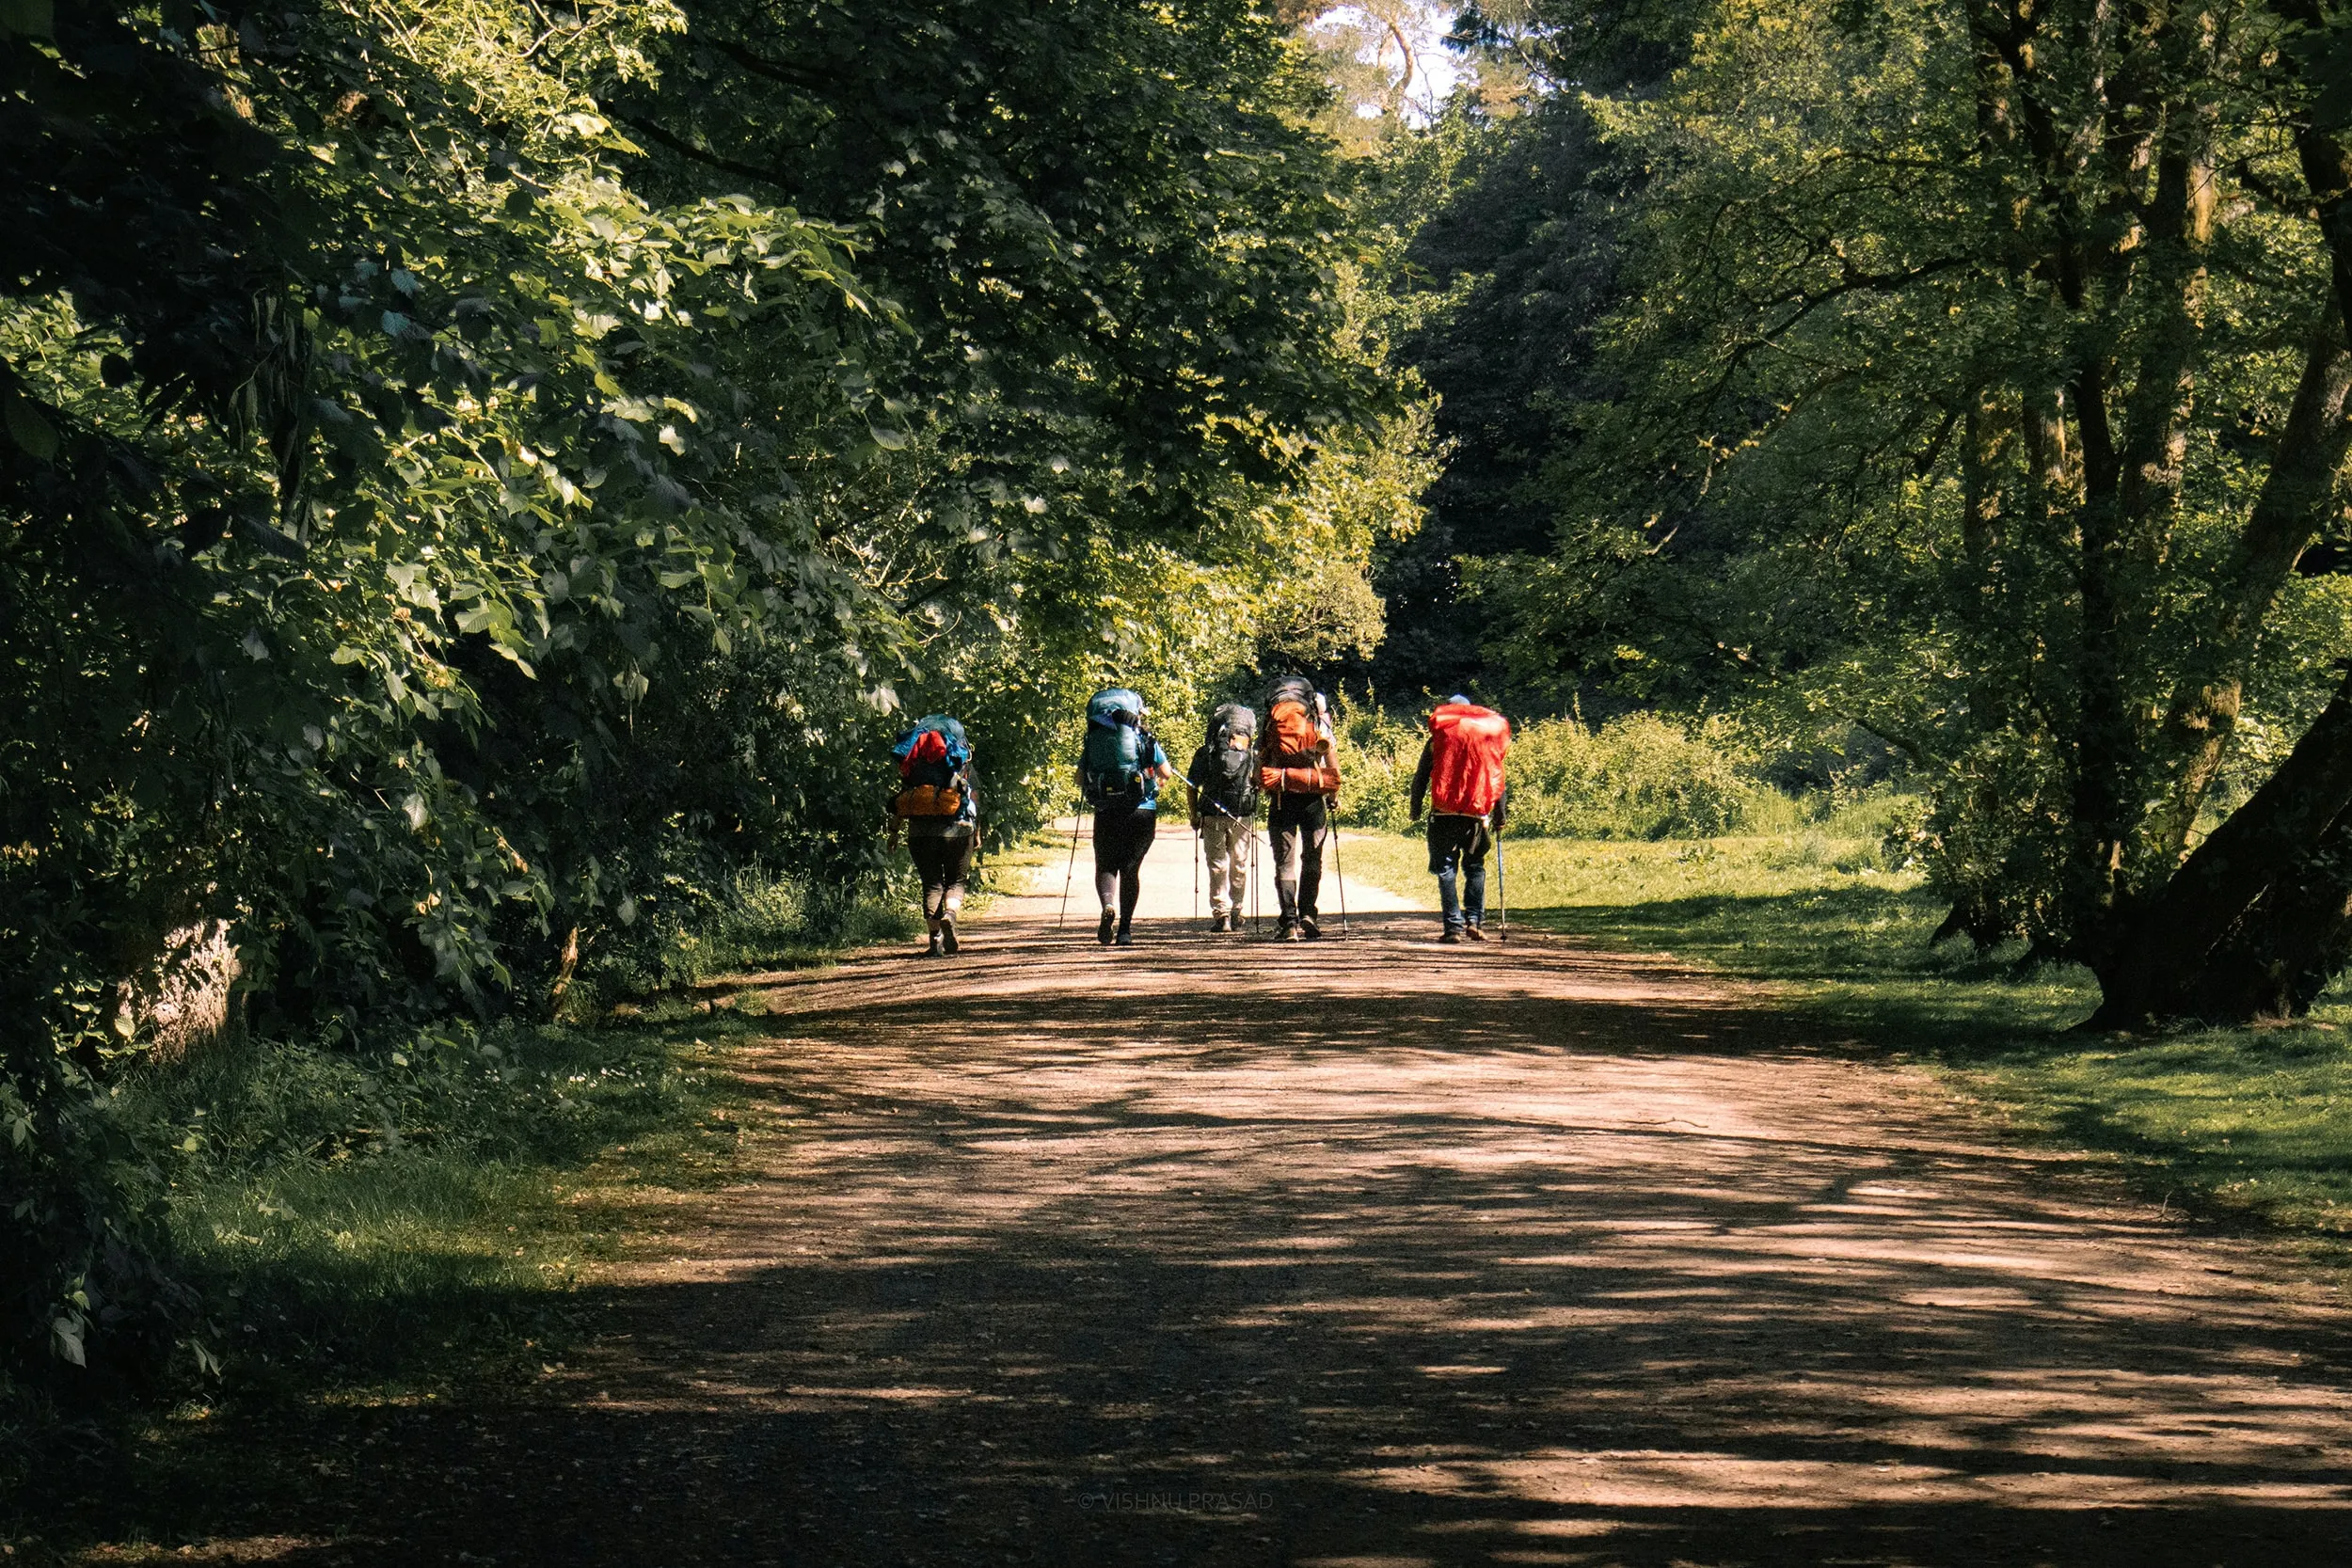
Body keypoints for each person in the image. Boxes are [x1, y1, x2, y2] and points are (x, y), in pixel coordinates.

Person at [1409, 694, 1513, 943]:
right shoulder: (1487, 740)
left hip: (1443, 813)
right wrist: (1500, 815)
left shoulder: (1438, 740)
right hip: (1476, 814)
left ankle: (1453, 928)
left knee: (1446, 869)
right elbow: (1496, 779)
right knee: (1475, 867)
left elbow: (1421, 777)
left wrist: (1415, 808)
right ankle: (1474, 921)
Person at [1078, 687, 1173, 947]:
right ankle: (1125, 932)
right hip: (1142, 810)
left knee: (1106, 865)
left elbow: (1079, 778)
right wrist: (1155, 782)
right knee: (1131, 870)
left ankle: (1108, 904)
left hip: (1106, 809)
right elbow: (1166, 772)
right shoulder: (1143, 737)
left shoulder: (1094, 739)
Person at [887, 715, 982, 957]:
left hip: (920, 832)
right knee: (956, 882)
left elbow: (904, 798)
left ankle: (934, 940)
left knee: (931, 884)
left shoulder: (914, 761)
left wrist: (894, 832)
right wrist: (978, 830)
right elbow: (973, 799)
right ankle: (950, 915)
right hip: (958, 828)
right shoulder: (962, 760)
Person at [1257, 674, 1341, 941]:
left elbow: (1260, 760)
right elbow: (1332, 763)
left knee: (1285, 863)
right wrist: (1333, 795)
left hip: (1282, 797)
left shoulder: (1272, 722)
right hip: (1313, 798)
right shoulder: (1317, 722)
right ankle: (1308, 913)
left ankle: (1289, 924)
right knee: (1312, 858)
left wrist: (1260, 785)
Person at [1184, 703, 1260, 933]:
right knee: (1240, 864)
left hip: (1211, 813)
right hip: (1242, 814)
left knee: (1217, 864)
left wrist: (1194, 813)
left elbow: (1191, 785)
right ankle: (1237, 911)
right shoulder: (1251, 753)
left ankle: (1222, 915)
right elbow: (1259, 782)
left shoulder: (1206, 752)